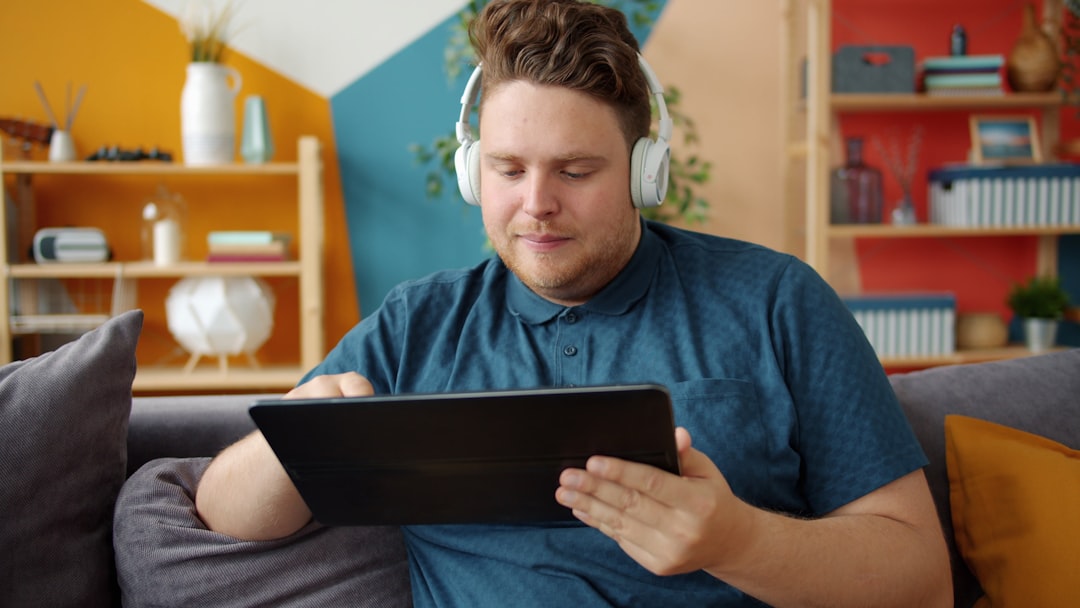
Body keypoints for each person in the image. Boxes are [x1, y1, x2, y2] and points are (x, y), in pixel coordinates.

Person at [195, 1, 952, 605]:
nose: (536, 204)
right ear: (471, 173)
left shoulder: (778, 301)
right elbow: (223, 511)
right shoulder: (415, 326)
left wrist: (738, 543)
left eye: (576, 170)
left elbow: (920, 578)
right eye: (506, 168)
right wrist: (290, 442)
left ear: (644, 172)